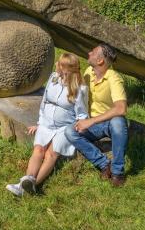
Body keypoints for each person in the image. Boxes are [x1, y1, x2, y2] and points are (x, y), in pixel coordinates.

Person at [6, 53, 89, 197]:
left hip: (65, 127)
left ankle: (29, 186)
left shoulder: (79, 88)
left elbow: (82, 114)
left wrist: (79, 128)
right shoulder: (53, 78)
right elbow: (44, 102)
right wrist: (39, 123)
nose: (56, 64)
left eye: (60, 63)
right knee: (38, 150)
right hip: (47, 123)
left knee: (51, 154)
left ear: (66, 69)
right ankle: (27, 183)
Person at [64, 43, 129, 187]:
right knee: (69, 131)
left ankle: (118, 172)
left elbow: (121, 108)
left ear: (100, 61)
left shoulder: (114, 78)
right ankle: (104, 164)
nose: (88, 53)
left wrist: (91, 122)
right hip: (91, 123)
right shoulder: (88, 72)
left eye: (92, 52)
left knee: (118, 122)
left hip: (109, 122)